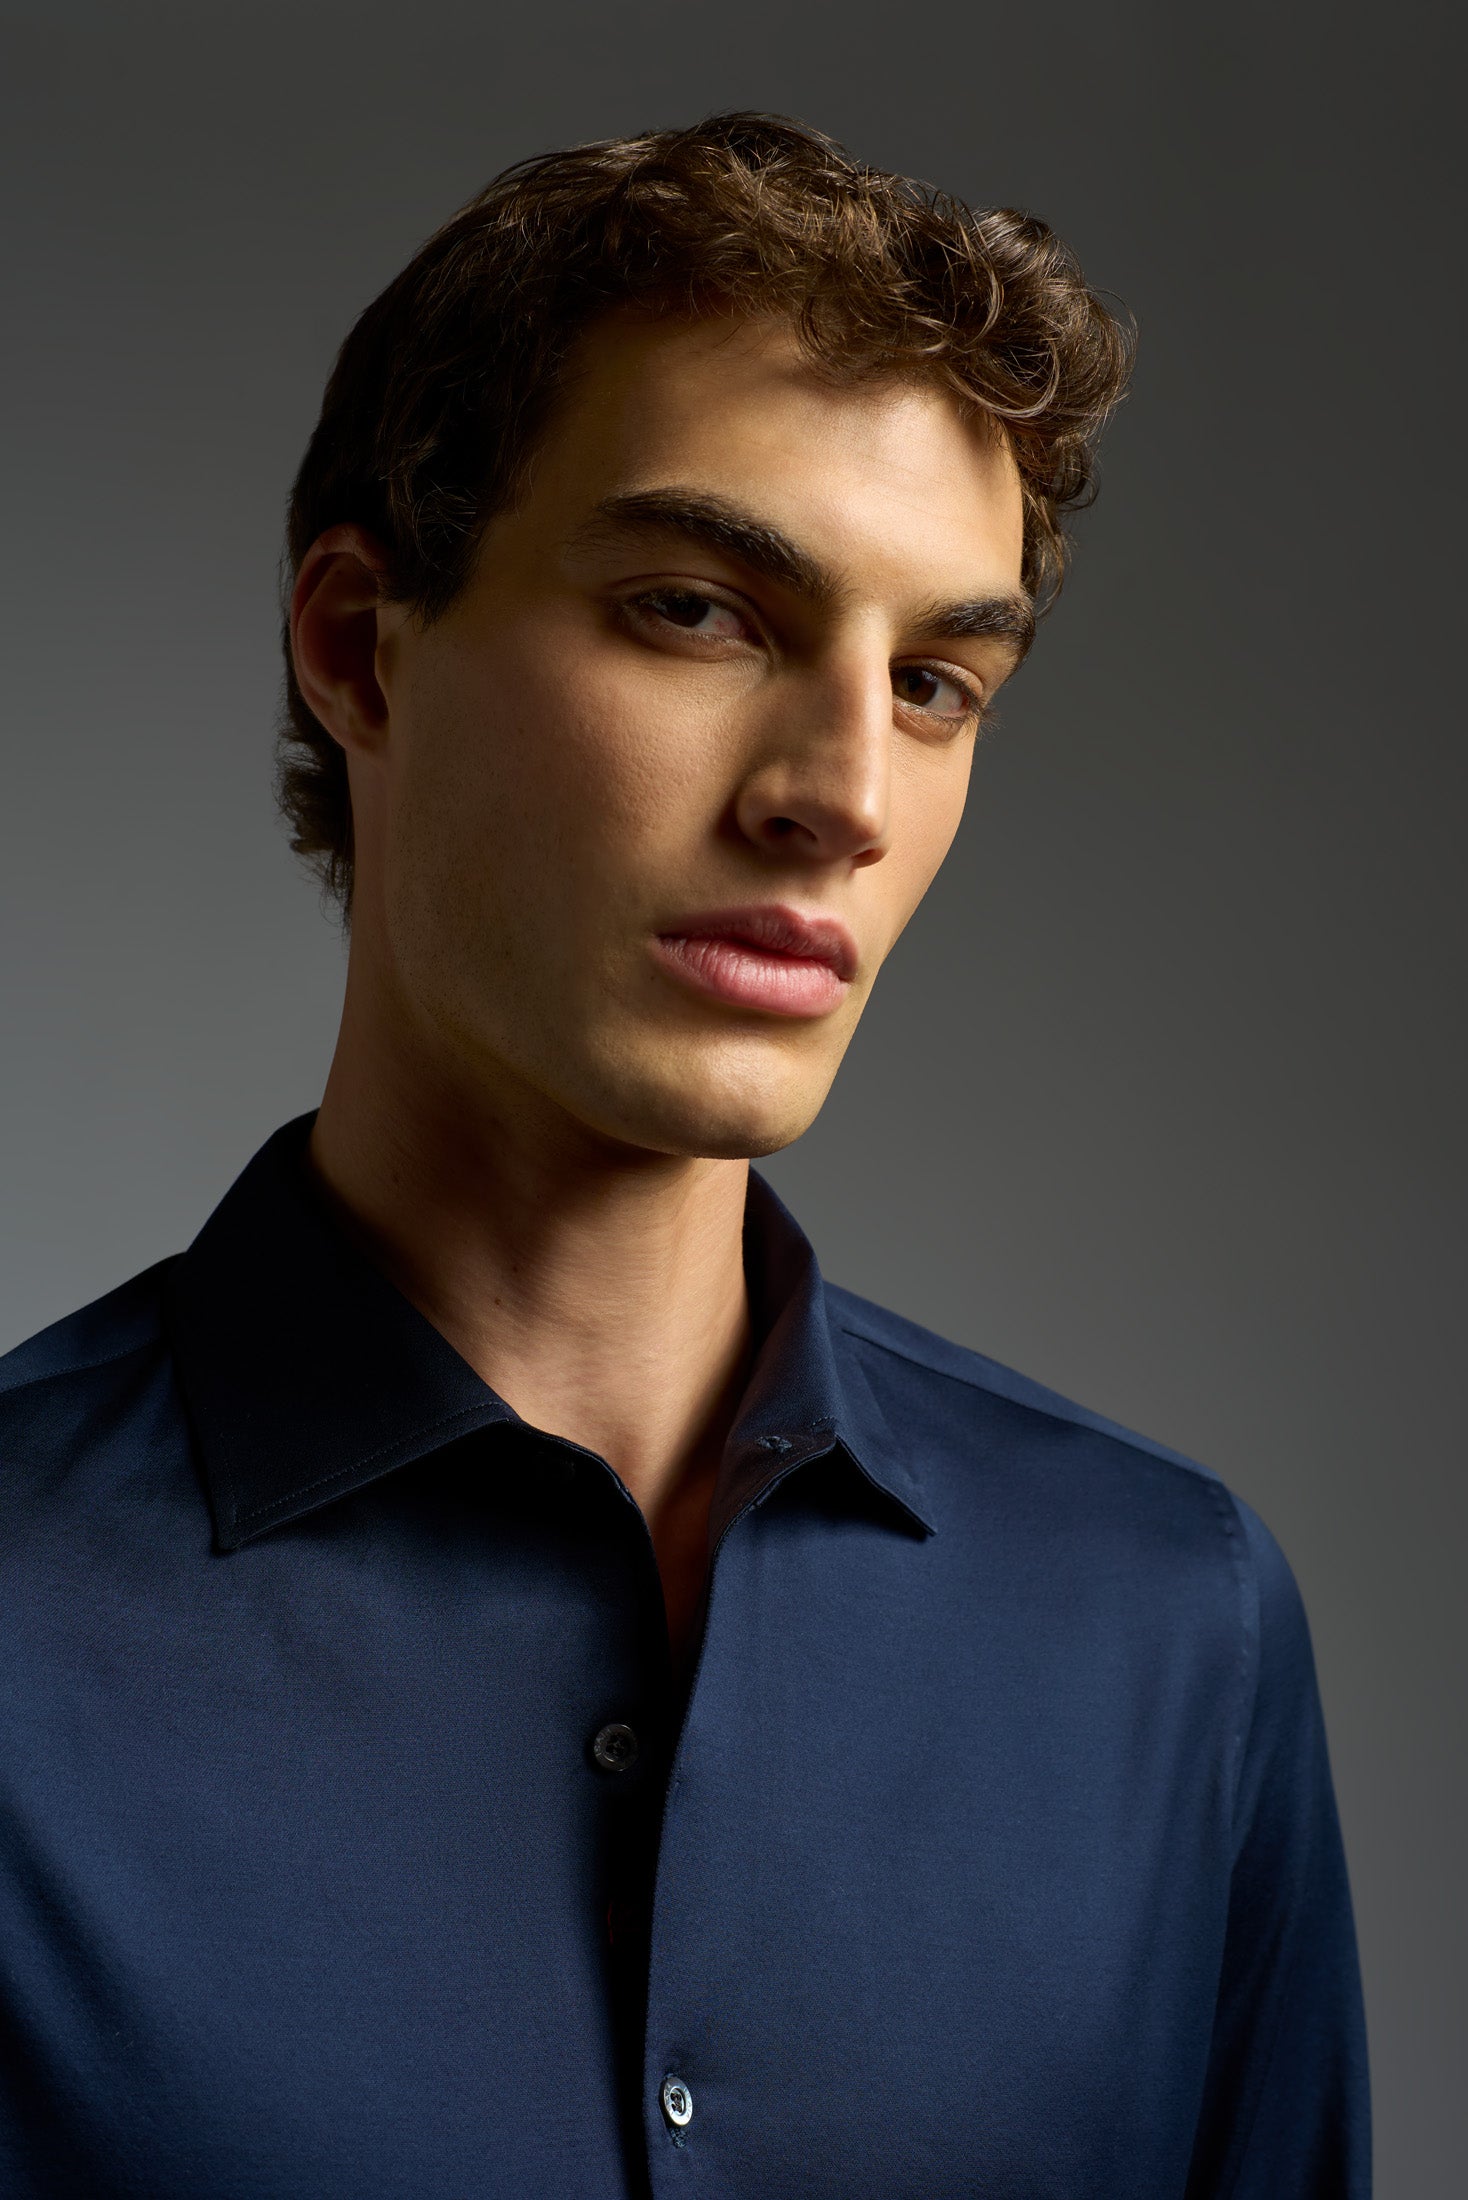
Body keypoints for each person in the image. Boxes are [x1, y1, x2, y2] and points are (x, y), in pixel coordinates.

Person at [0, 114, 1368, 2197]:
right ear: (358, 646)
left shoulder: (1171, 1625)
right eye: (697, 610)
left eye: (934, 680)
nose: (843, 794)